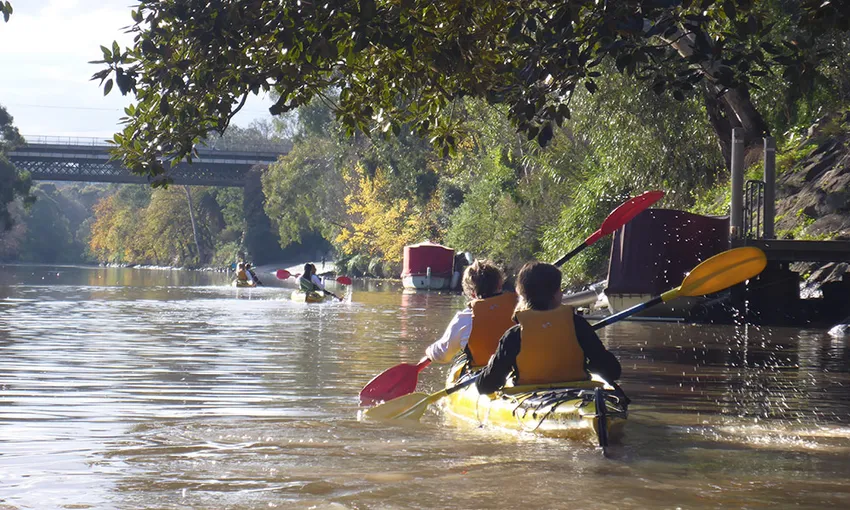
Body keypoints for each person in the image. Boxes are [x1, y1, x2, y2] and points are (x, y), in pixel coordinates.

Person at [476, 261, 621, 394]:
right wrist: (590, 366)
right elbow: (613, 371)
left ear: (522, 295)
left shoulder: (514, 335)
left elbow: (486, 386)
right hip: (577, 394)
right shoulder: (578, 325)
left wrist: (489, 366)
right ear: (556, 294)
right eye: (560, 289)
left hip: (532, 398)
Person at [425, 260, 518, 367]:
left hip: (483, 375)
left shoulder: (465, 317)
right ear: (499, 285)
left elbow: (442, 354)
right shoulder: (521, 310)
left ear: (472, 293)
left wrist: (429, 352)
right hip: (517, 372)